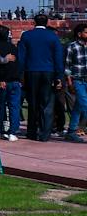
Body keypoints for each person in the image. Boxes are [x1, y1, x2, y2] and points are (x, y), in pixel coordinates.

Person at [18, 14, 65, 142]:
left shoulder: (26, 35)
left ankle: (32, 131)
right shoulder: (53, 37)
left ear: (34, 22)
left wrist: (20, 74)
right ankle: (45, 133)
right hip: (48, 71)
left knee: (32, 102)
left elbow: (21, 57)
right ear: (47, 22)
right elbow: (58, 58)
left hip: (31, 71)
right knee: (47, 103)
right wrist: (59, 76)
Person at [0, 23, 22, 140]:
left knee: (0, 106)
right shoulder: (13, 47)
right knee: (14, 106)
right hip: (14, 80)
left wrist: (1, 79)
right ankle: (13, 132)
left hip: (2, 80)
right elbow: (16, 64)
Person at [63, 21, 87, 144]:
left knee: (78, 107)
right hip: (78, 80)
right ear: (79, 34)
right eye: (86, 32)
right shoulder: (71, 46)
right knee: (84, 105)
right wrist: (70, 83)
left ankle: (71, 132)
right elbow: (67, 67)